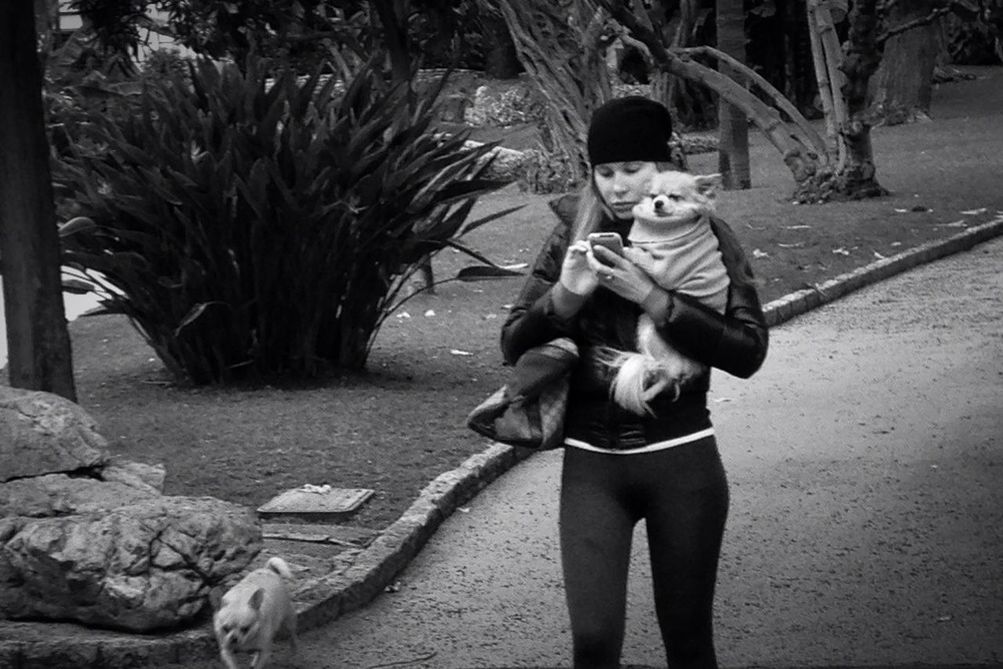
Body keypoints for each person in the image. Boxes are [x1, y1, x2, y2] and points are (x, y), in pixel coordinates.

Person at [500, 96, 769, 669]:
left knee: (688, 643)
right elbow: (511, 344)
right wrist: (565, 297)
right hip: (592, 464)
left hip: (683, 459)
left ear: (662, 167)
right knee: (593, 643)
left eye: (632, 170)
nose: (619, 187)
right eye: (605, 172)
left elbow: (748, 352)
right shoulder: (574, 233)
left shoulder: (706, 233)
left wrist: (651, 298)